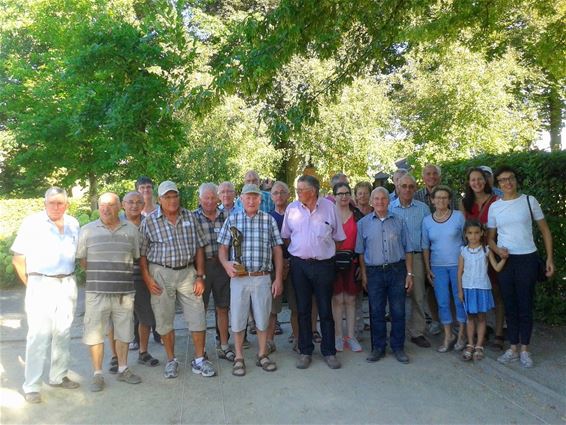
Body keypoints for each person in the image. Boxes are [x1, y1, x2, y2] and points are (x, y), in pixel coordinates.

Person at [139, 181, 216, 379]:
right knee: (164, 319)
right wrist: (147, 278)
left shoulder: (190, 216)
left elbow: (200, 247)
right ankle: (171, 360)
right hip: (161, 273)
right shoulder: (149, 221)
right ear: (159, 200)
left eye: (175, 196)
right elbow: (142, 254)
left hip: (188, 273)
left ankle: (199, 360)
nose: (172, 200)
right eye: (167, 197)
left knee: (198, 315)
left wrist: (200, 275)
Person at [11, 187, 81, 403]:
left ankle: (58, 376)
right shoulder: (32, 223)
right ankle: (31, 386)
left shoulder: (73, 223)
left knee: (63, 331)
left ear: (67, 205)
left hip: (67, 282)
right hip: (41, 282)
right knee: (38, 335)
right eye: (52, 203)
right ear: (45, 204)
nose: (56, 207)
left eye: (60, 203)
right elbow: (18, 259)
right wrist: (32, 283)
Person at [487, 166, 554, 368]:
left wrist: (550, 258)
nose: (507, 183)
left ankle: (525, 349)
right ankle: (513, 347)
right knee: (510, 304)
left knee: (525, 305)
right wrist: (498, 250)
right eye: (502, 180)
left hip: (528, 259)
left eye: (510, 178)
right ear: (498, 184)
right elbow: (489, 239)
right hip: (507, 261)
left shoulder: (529, 201)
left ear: (516, 180)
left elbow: (545, 231)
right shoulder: (495, 207)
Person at [77, 192, 142, 392]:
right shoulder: (87, 231)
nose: (106, 208)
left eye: (111, 205)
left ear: (119, 207)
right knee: (95, 334)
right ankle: (97, 374)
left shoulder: (131, 230)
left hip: (124, 293)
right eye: (102, 204)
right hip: (97, 292)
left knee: (124, 333)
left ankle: (123, 369)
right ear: (98, 207)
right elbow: (83, 261)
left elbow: (135, 257)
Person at [218, 184, 284, 376]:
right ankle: (239, 357)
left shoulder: (268, 220)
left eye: (255, 197)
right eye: (248, 197)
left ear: (260, 199)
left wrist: (278, 278)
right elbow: (222, 247)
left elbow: (277, 250)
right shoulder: (233, 219)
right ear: (241, 199)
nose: (251, 200)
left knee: (263, 318)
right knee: (238, 318)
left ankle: (262, 354)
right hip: (239, 279)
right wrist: (226, 264)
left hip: (262, 277)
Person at [281, 175, 346, 370]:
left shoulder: (330, 208)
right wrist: (302, 251)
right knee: (302, 309)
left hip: (324, 265)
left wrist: (322, 251)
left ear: (314, 191)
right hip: (299, 265)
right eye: (297, 189)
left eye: (302, 189)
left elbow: (339, 238)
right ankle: (305, 351)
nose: (298, 193)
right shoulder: (292, 209)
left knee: (325, 309)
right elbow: (286, 237)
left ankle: (329, 352)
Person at [356, 187, 414, 364]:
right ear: (371, 202)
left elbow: (409, 249)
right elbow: (360, 252)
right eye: (376, 199)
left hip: (397, 270)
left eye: (383, 198)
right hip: (374, 272)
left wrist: (409, 273)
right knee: (376, 311)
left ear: (388, 201)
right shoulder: (363, 223)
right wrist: (364, 275)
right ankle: (378, 348)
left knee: (398, 310)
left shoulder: (399, 221)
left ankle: (398, 347)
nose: (380, 202)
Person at [459, 167, 505, 349]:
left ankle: (500, 332)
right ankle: (480, 333)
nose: (476, 183)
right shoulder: (465, 202)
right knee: (476, 290)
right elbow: (465, 229)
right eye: (473, 180)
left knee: (495, 292)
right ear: (469, 182)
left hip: (490, 250)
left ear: (485, 181)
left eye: (479, 179)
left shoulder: (496, 200)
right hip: (472, 253)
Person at [422, 185, 467, 353]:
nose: (441, 200)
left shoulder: (458, 217)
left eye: (444, 197)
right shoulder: (427, 221)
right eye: (437, 197)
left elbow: (468, 240)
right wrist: (427, 268)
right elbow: (425, 246)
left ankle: (462, 333)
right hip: (437, 266)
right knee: (442, 302)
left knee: (459, 300)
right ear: (432, 200)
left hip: (457, 265)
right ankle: (448, 335)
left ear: (449, 200)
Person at [389, 174, 432, 348]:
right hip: (394, 258)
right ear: (397, 187)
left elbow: (427, 236)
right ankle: (396, 332)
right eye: (404, 186)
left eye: (411, 186)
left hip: (416, 257)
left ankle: (417, 332)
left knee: (418, 295)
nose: (407, 189)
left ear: (415, 188)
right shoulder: (389, 207)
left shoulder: (423, 209)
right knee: (395, 297)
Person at [193, 183, 234, 362]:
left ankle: (224, 345)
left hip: (222, 267)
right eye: (205, 198)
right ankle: (200, 350)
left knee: (223, 307)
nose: (209, 201)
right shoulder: (192, 217)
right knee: (199, 309)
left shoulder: (227, 216)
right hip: (201, 268)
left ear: (217, 198)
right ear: (200, 199)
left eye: (212, 197)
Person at [457, 220, 507, 361]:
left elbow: (496, 267)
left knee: (482, 317)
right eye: (470, 233)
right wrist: (460, 291)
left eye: (476, 233)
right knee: (470, 317)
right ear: (466, 235)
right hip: (468, 288)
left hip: (482, 288)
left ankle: (479, 345)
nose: (473, 236)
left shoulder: (486, 250)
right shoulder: (463, 251)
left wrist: (504, 258)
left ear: (482, 233)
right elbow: (459, 272)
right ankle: (470, 344)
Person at [122, 191, 159, 367]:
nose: (134, 205)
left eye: (138, 202)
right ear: (123, 204)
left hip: (143, 277)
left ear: (144, 205)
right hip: (120, 279)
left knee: (145, 317)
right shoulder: (116, 224)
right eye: (131, 202)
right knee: (119, 319)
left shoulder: (150, 224)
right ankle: (117, 359)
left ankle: (143, 352)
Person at [332, 182, 363, 352]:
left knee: (350, 299)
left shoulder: (357, 215)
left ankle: (350, 337)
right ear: (334, 195)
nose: (343, 196)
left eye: (346, 193)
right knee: (337, 299)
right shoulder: (329, 214)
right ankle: (338, 337)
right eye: (340, 193)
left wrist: (360, 264)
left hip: (352, 261)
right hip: (333, 262)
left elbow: (361, 241)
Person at [267, 181, 298, 354]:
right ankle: (270, 341)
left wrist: (288, 262)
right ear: (271, 196)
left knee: (296, 306)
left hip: (294, 265)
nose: (279, 196)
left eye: (282, 192)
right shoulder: (267, 217)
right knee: (273, 308)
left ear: (288, 195)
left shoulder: (296, 214)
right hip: (273, 267)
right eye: (275, 193)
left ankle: (297, 338)